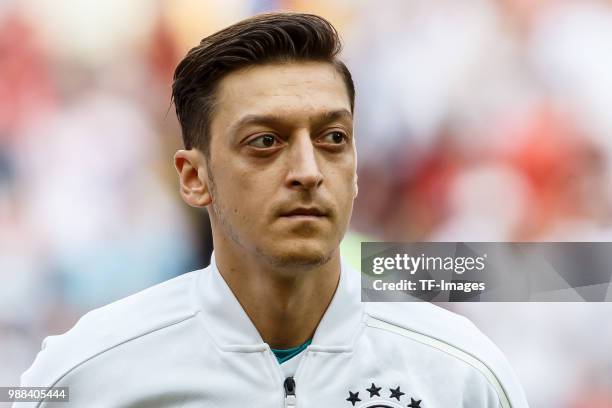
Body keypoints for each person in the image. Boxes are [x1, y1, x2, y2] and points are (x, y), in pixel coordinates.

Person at [18, 12, 529, 407]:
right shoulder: (84, 371)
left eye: (333, 138)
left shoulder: (460, 373)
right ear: (195, 178)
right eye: (265, 141)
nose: (308, 169)